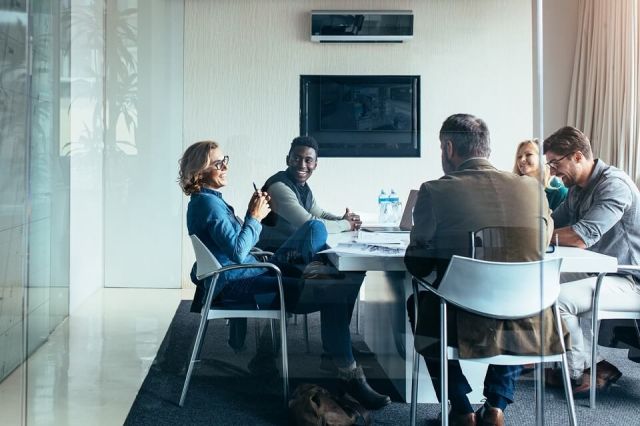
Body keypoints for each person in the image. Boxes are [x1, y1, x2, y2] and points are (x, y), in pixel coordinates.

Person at [178, 140, 390, 409]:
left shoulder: (208, 202)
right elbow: (236, 251)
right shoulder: (208, 205)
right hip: (242, 285)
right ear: (200, 170)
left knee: (325, 251)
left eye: (225, 160)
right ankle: (349, 374)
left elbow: (240, 249)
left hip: (253, 271)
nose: (226, 167)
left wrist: (251, 215)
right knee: (336, 288)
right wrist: (254, 217)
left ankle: (340, 354)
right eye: (218, 163)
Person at [405, 114, 561, 426]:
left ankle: (461, 408)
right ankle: (496, 407)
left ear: (449, 148)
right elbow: (539, 248)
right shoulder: (534, 190)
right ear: (486, 149)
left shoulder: (435, 191)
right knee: (518, 305)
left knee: (418, 304)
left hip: (461, 320)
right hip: (533, 320)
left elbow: (418, 261)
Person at [542, 126, 640, 396]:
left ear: (576, 156)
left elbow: (580, 236)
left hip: (630, 278)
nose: (552, 172)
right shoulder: (577, 189)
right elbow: (554, 221)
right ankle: (591, 365)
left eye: (554, 163)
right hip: (602, 273)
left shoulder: (614, 185)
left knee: (557, 299)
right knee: (538, 284)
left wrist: (536, 234)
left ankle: (581, 370)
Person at [257, 136, 362, 252]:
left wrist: (344, 219)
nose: (302, 165)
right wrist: (346, 224)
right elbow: (309, 223)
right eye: (297, 158)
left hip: (292, 251)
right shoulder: (278, 187)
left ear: (315, 165)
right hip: (273, 254)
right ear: (287, 160)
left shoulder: (301, 186)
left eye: (308, 160)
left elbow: (320, 214)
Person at [513, 139, 568, 210]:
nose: (522, 160)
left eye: (528, 154)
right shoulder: (515, 190)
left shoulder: (559, 192)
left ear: (543, 158)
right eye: (519, 157)